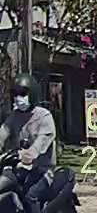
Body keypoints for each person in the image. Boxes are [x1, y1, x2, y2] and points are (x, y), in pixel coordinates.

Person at [0, 75, 57, 213]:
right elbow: (3, 132)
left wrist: (30, 154)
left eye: (23, 94)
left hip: (42, 170)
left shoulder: (44, 116)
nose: (18, 98)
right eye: (15, 94)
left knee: (31, 196)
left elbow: (44, 139)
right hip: (19, 168)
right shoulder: (14, 116)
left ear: (33, 94)